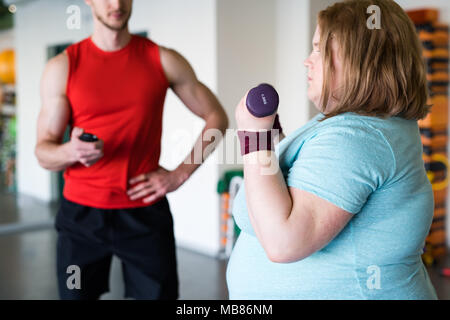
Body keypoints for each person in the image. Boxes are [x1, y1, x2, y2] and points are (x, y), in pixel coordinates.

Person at [227, 0, 438, 299]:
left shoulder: (357, 138)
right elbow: (319, 184)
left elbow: (283, 242)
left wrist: (254, 139)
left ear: (360, 58)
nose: (307, 61)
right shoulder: (363, 128)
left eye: (318, 48)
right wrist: (274, 144)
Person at [35, 0, 228, 300]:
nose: (117, 4)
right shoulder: (63, 66)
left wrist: (179, 174)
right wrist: (71, 151)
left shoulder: (163, 59)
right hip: (81, 220)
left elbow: (217, 117)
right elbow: (43, 152)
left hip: (145, 215)